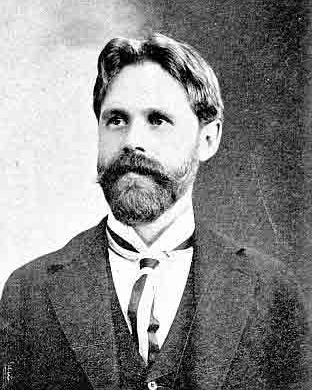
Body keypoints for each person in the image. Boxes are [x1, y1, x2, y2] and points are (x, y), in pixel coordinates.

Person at [0, 33, 309, 390]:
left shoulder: (272, 293)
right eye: (116, 120)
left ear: (208, 139)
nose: (132, 141)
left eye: (157, 120)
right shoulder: (29, 292)